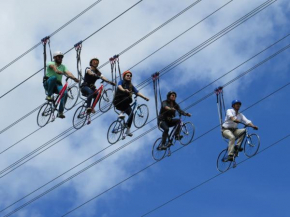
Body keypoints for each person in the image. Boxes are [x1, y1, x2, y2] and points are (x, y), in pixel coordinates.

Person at [43, 51, 79, 119]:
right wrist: (56, 70)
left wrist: (74, 78)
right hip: (48, 83)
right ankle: (49, 96)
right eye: (59, 57)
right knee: (54, 78)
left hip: (57, 84)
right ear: (55, 57)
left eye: (61, 57)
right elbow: (52, 66)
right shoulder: (51, 63)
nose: (60, 58)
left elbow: (68, 72)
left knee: (65, 93)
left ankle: (60, 112)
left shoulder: (63, 67)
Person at [113, 70, 149, 137]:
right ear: (124, 76)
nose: (129, 77)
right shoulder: (122, 82)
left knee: (131, 114)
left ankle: (128, 130)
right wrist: (124, 90)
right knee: (127, 98)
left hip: (125, 103)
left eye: (130, 76)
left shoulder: (130, 86)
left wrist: (144, 97)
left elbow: (137, 92)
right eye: (127, 75)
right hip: (118, 101)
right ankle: (121, 112)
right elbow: (119, 86)